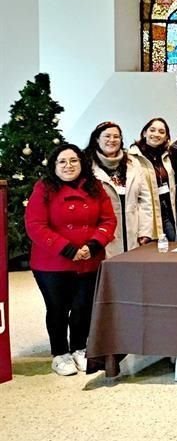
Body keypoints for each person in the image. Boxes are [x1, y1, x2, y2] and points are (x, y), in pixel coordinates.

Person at [24, 144, 117, 376]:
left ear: (82, 163)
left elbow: (108, 220)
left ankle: (79, 347)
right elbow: (35, 226)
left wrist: (93, 244)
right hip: (53, 263)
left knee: (83, 307)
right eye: (62, 162)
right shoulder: (43, 188)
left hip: (89, 259)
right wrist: (68, 250)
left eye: (74, 161)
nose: (69, 166)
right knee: (57, 308)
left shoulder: (95, 187)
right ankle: (60, 353)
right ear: (54, 166)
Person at [84, 121, 153, 256]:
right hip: (101, 236)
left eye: (116, 136)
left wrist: (145, 231)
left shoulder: (133, 163)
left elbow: (145, 200)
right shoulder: (86, 164)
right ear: (97, 139)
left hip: (133, 233)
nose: (112, 140)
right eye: (107, 136)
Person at [128, 117, 177, 241]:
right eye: (152, 130)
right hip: (145, 214)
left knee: (171, 247)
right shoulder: (132, 157)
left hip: (166, 211)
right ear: (145, 133)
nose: (156, 134)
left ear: (167, 137)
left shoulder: (167, 156)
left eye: (161, 132)